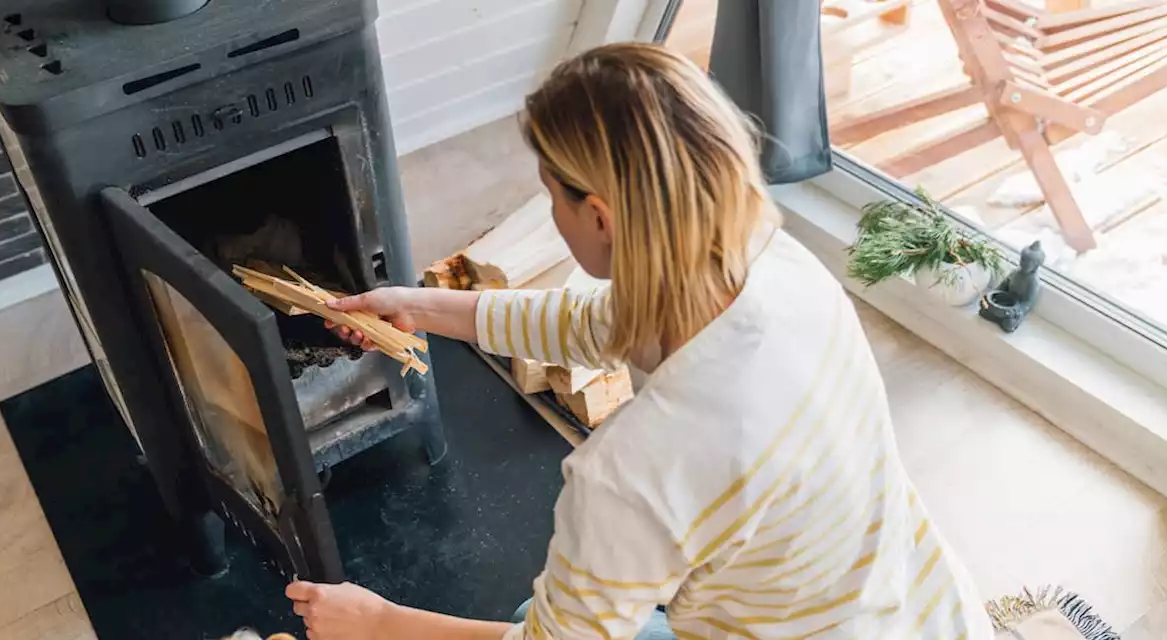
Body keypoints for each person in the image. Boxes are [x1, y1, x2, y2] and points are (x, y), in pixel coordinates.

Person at [285, 43, 993, 640]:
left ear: (600, 216)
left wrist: (380, 623)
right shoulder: (773, 263)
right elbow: (597, 323)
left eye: (551, 196)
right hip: (920, 608)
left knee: (536, 613)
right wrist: (418, 306)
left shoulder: (635, 471)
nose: (550, 213)